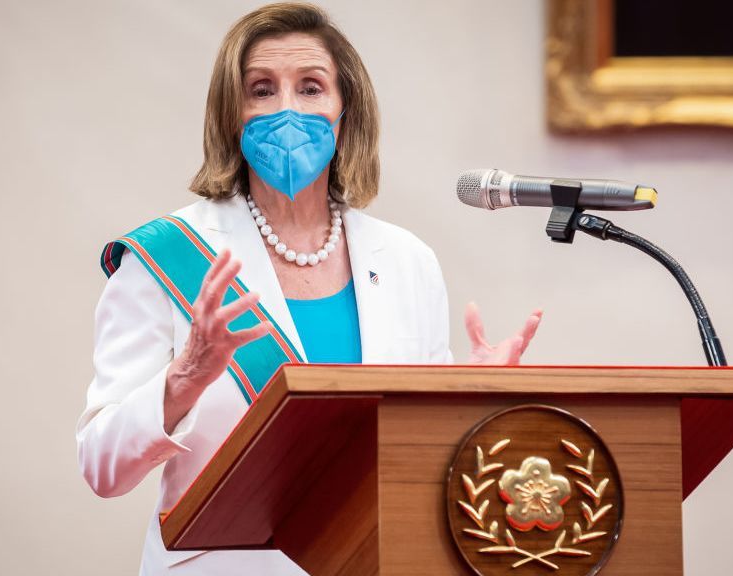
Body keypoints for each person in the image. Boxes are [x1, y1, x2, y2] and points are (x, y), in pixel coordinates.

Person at [76, 3, 542, 575]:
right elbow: (102, 467)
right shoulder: (164, 259)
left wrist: (474, 404)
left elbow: (420, 461)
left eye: (311, 88)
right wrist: (185, 377)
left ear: (345, 115)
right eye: (262, 90)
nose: (287, 110)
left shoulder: (406, 262)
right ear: (231, 116)